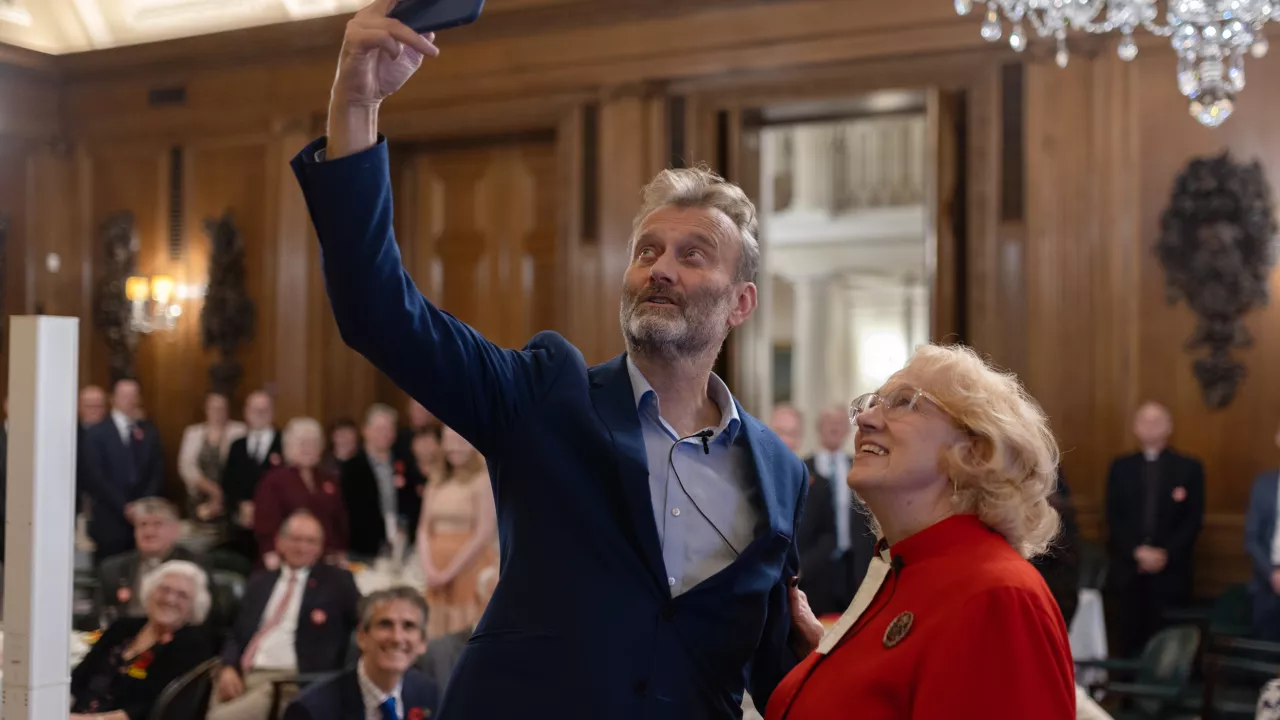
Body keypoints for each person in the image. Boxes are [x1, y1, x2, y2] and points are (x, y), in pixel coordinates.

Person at [288, 2, 811, 716]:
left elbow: (772, 665)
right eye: (647, 252)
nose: (661, 268)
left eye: (694, 256)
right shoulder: (544, 394)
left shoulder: (780, 472)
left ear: (741, 304)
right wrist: (356, 102)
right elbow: (379, 311)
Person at [765, 344, 1076, 720]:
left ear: (975, 450)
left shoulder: (998, 594)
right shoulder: (905, 568)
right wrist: (829, 659)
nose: (864, 419)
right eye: (871, 402)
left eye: (903, 402)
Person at [211, 510, 362, 720]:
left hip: (291, 681)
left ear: (320, 547)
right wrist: (228, 666)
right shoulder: (260, 582)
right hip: (242, 673)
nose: (302, 548)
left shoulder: (336, 583)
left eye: (311, 541)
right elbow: (236, 634)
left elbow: (365, 622)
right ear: (279, 542)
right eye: (296, 539)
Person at [1104, 401, 1205, 657]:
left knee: (1166, 642)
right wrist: (1136, 552)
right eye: (1144, 421)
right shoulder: (1121, 467)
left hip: (1171, 572)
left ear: (1169, 427)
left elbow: (1192, 520)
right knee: (1128, 638)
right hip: (1129, 570)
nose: (1150, 427)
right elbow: (1113, 517)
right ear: (1135, 428)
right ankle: (1127, 695)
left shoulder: (1189, 468)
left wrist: (1165, 554)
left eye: (1157, 421)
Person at [70, 560, 213, 720]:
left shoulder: (191, 648)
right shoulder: (122, 627)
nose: (170, 599)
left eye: (182, 595)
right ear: (149, 592)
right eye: (164, 589)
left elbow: (148, 710)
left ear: (193, 607)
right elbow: (78, 678)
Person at [284, 586, 440, 720]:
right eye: (385, 624)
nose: (397, 637)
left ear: (423, 642)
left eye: (408, 626)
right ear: (362, 637)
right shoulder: (312, 710)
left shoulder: (429, 694)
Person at [415, 427, 496, 638]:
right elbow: (423, 528)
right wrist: (429, 568)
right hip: (436, 572)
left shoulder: (481, 480)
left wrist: (449, 572)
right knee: (436, 633)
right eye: (450, 441)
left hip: (469, 567)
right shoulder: (436, 480)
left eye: (461, 441)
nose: (455, 448)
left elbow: (484, 532)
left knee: (462, 634)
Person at [797, 405, 876, 616]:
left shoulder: (862, 467)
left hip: (854, 564)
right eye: (829, 423)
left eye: (839, 423)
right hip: (814, 568)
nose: (834, 428)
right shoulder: (802, 468)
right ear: (819, 428)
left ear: (847, 430)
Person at [80, 378, 165, 562]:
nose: (130, 400)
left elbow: (156, 471)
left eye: (134, 396)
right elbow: (96, 476)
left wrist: (142, 505)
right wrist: (124, 507)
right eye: (125, 395)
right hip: (110, 520)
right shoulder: (97, 433)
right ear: (114, 399)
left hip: (145, 521)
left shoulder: (149, 431)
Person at [253, 418, 350, 567]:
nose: (308, 448)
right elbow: (265, 526)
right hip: (287, 561)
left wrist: (340, 553)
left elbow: (340, 521)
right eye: (303, 443)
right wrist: (271, 557)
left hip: (327, 561)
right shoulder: (273, 481)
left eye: (314, 443)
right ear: (288, 446)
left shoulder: (328, 479)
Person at [96, 498, 202, 621]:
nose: (149, 532)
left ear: (175, 530)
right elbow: (97, 618)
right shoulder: (112, 569)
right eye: (143, 524)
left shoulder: (194, 567)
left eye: (158, 524)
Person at [178, 392, 247, 522]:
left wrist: (222, 495)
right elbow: (186, 467)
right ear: (206, 410)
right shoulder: (192, 432)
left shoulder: (240, 431)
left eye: (221, 408)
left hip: (231, 497)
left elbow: (241, 466)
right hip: (199, 496)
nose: (217, 412)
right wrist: (213, 491)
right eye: (213, 408)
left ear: (228, 410)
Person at [1244, 425, 1280, 641]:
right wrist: (1272, 574)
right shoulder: (1263, 483)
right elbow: (1251, 537)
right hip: (1267, 584)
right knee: (1265, 659)